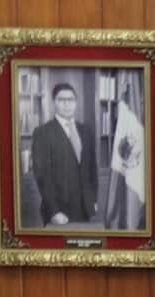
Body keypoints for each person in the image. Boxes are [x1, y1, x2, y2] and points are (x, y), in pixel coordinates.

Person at [29, 82, 97, 226]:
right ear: (54, 103)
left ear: (76, 102)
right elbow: (42, 176)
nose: (67, 104)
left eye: (71, 100)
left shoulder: (86, 131)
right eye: (61, 100)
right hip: (59, 211)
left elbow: (92, 169)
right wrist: (54, 211)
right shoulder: (42, 133)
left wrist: (93, 200)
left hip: (85, 208)